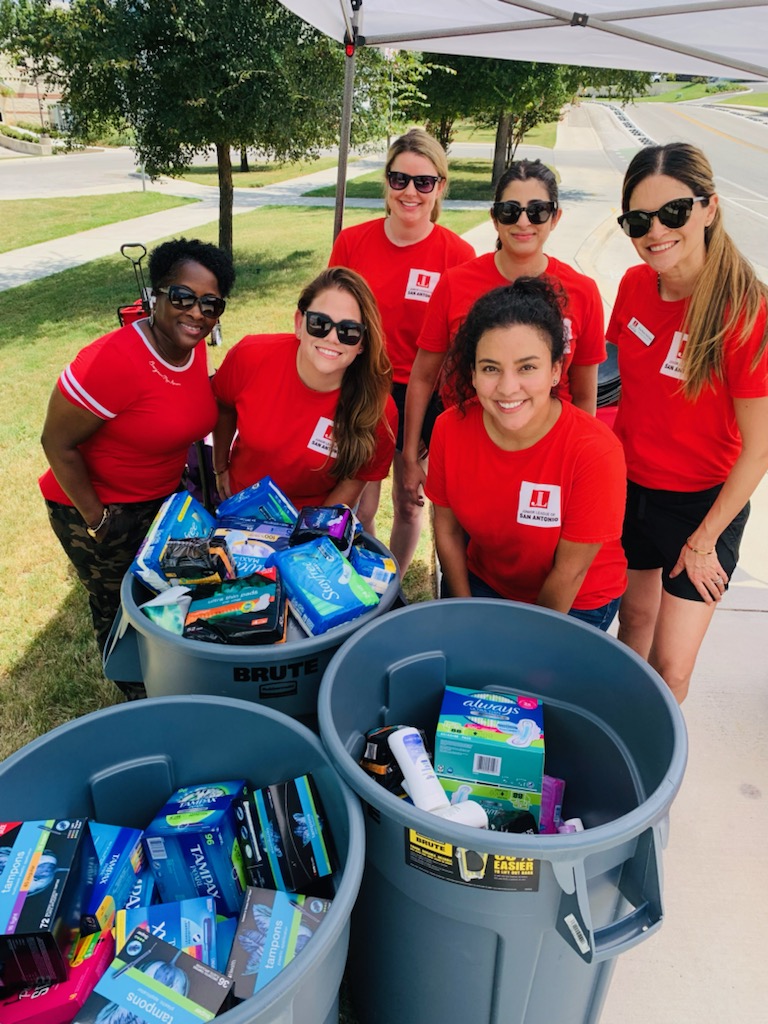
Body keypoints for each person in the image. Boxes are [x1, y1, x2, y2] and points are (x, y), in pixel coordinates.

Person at [608, 142, 768, 702]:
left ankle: (652, 774)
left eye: (673, 212)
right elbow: (613, 384)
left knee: (671, 668)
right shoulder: (632, 285)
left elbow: (760, 450)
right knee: (632, 623)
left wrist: (704, 541)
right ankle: (619, 740)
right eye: (638, 219)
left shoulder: (743, 311)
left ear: (709, 208)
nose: (656, 231)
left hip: (702, 507)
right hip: (630, 488)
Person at [40, 237, 235, 667]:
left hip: (161, 502)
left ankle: (170, 676)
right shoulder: (111, 360)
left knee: (164, 597)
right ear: (156, 295)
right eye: (183, 296)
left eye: (211, 304)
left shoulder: (190, 346)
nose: (197, 313)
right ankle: (132, 689)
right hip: (97, 507)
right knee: (119, 608)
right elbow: (56, 442)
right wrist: (98, 520)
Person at [425, 278, 627, 630]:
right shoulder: (449, 429)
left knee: (526, 683)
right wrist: (463, 611)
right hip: (485, 581)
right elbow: (448, 530)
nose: (507, 387)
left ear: (555, 371)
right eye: (490, 368)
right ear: (472, 373)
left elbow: (570, 571)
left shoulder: (595, 451)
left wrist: (525, 647)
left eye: (527, 367)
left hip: (576, 599)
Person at [403, 158, 606, 508]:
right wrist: (409, 455)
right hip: (469, 450)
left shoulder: (582, 292)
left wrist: (578, 459)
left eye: (537, 211)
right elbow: (423, 377)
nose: (523, 222)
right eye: (510, 211)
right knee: (458, 546)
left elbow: (586, 395)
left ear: (555, 218)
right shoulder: (455, 284)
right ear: (494, 218)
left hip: (547, 456)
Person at [328, 128, 475, 575]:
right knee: (361, 501)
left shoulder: (457, 253)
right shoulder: (353, 243)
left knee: (410, 500)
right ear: (386, 184)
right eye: (399, 180)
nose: (410, 192)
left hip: (425, 391)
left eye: (423, 182)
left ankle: (393, 579)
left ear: (440, 188)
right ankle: (366, 579)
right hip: (363, 384)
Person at [211, 266, 397, 512]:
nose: (332, 338)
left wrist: (305, 538)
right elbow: (223, 404)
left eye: (348, 331)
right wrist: (220, 466)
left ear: (362, 343)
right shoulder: (250, 356)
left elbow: (352, 483)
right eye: (320, 323)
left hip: (308, 524)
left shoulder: (378, 410)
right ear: (300, 323)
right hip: (238, 509)